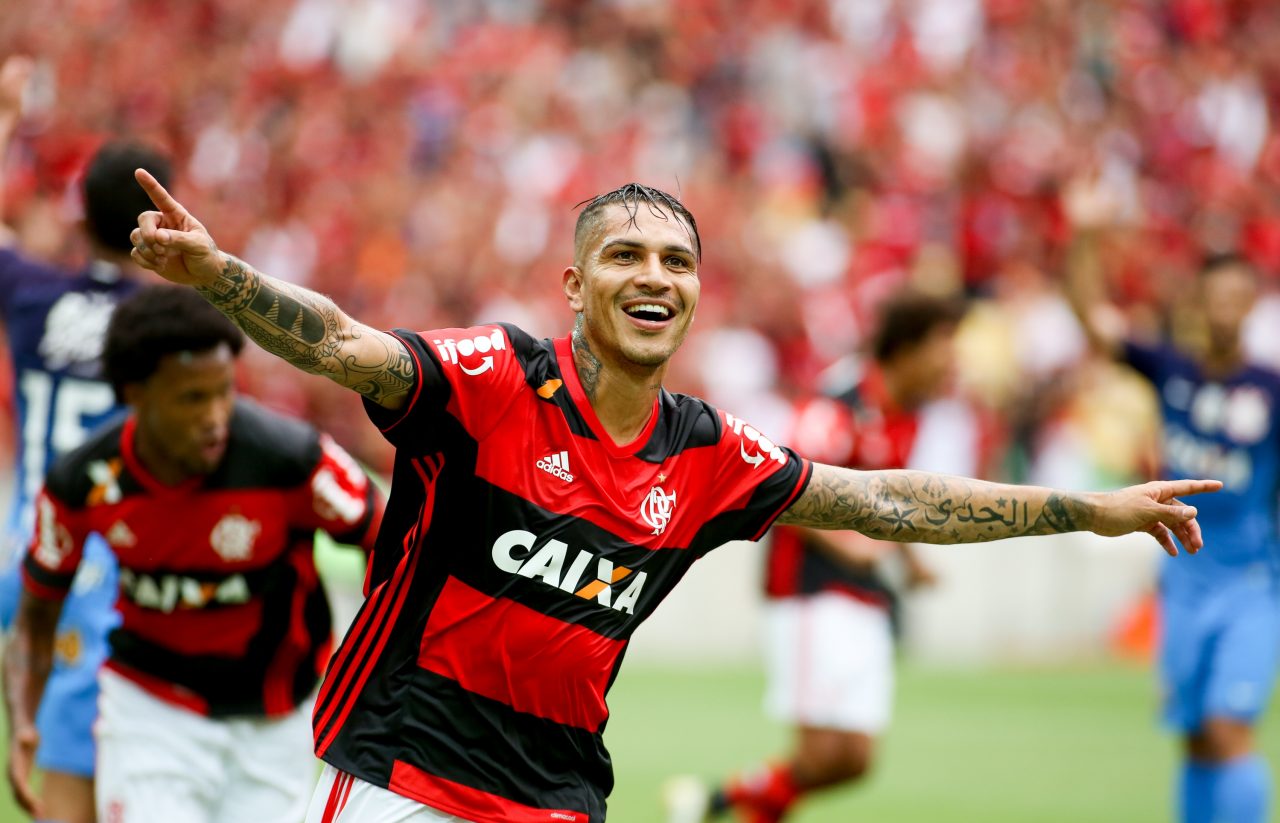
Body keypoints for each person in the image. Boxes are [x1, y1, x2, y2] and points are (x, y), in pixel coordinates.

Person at [128, 172, 1218, 823]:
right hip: (399, 776)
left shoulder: (706, 454)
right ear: (573, 284)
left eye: (676, 261)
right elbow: (346, 345)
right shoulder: (489, 381)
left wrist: (1087, 508)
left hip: (558, 796)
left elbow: (887, 500)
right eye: (624, 255)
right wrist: (221, 276)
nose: (654, 275)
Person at [3, 285, 385, 823]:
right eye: (192, 398)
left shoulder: (292, 459)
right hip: (150, 709)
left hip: (276, 718)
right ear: (135, 393)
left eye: (223, 392)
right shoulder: (80, 481)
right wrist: (23, 722)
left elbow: (398, 545)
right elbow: (37, 615)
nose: (215, 417)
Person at [664, 292, 985, 822]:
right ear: (905, 347)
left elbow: (887, 503)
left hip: (864, 591)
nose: (951, 361)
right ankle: (724, 806)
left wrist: (907, 562)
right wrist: (854, 546)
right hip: (810, 587)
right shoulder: (842, 399)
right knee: (822, 752)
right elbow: (789, 489)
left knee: (854, 760)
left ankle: (717, 800)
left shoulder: (907, 413)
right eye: (943, 345)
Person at [1064, 179, 1280, 823]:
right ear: (1199, 301)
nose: (1228, 307)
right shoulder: (1171, 370)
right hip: (1182, 579)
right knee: (1191, 736)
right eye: (1218, 295)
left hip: (1249, 582)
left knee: (1227, 729)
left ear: (1251, 307)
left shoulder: (1271, 390)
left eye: (1240, 297)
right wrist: (1083, 236)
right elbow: (1092, 321)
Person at [0, 54, 173, 823]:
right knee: (75, 795)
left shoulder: (31, 291)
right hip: (98, 571)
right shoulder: (164, 329)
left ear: (78, 213)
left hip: (18, 549)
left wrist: (6, 117)